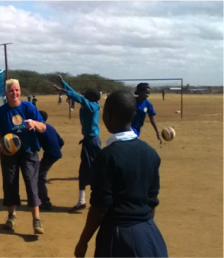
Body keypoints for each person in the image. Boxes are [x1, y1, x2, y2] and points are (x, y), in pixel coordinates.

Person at [74, 90, 168, 258]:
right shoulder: (151, 152)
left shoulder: (107, 156)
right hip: (151, 236)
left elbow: (99, 207)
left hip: (118, 238)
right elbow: (152, 201)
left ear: (107, 116)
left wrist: (83, 241)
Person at [0, 79, 46, 234]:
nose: (14, 93)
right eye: (10, 91)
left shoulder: (29, 108)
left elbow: (43, 128)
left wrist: (35, 124)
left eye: (16, 90)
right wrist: (3, 147)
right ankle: (11, 216)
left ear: (20, 91)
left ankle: (36, 220)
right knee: (10, 184)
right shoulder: (1, 112)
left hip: (28, 152)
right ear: (6, 93)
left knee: (31, 183)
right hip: (9, 155)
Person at [53, 75, 101, 212]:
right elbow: (77, 94)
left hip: (90, 142)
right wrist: (63, 83)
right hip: (92, 140)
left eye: (86, 95)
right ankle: (85, 199)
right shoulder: (93, 104)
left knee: (86, 170)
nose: (83, 95)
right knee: (92, 169)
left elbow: (78, 98)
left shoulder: (91, 107)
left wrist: (63, 90)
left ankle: (83, 201)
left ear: (90, 98)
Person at [36, 110, 64, 210]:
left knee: (40, 177)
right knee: (39, 172)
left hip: (50, 154)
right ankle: (38, 196)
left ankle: (46, 202)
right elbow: (61, 142)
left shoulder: (39, 129)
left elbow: (37, 146)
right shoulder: (50, 127)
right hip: (54, 153)